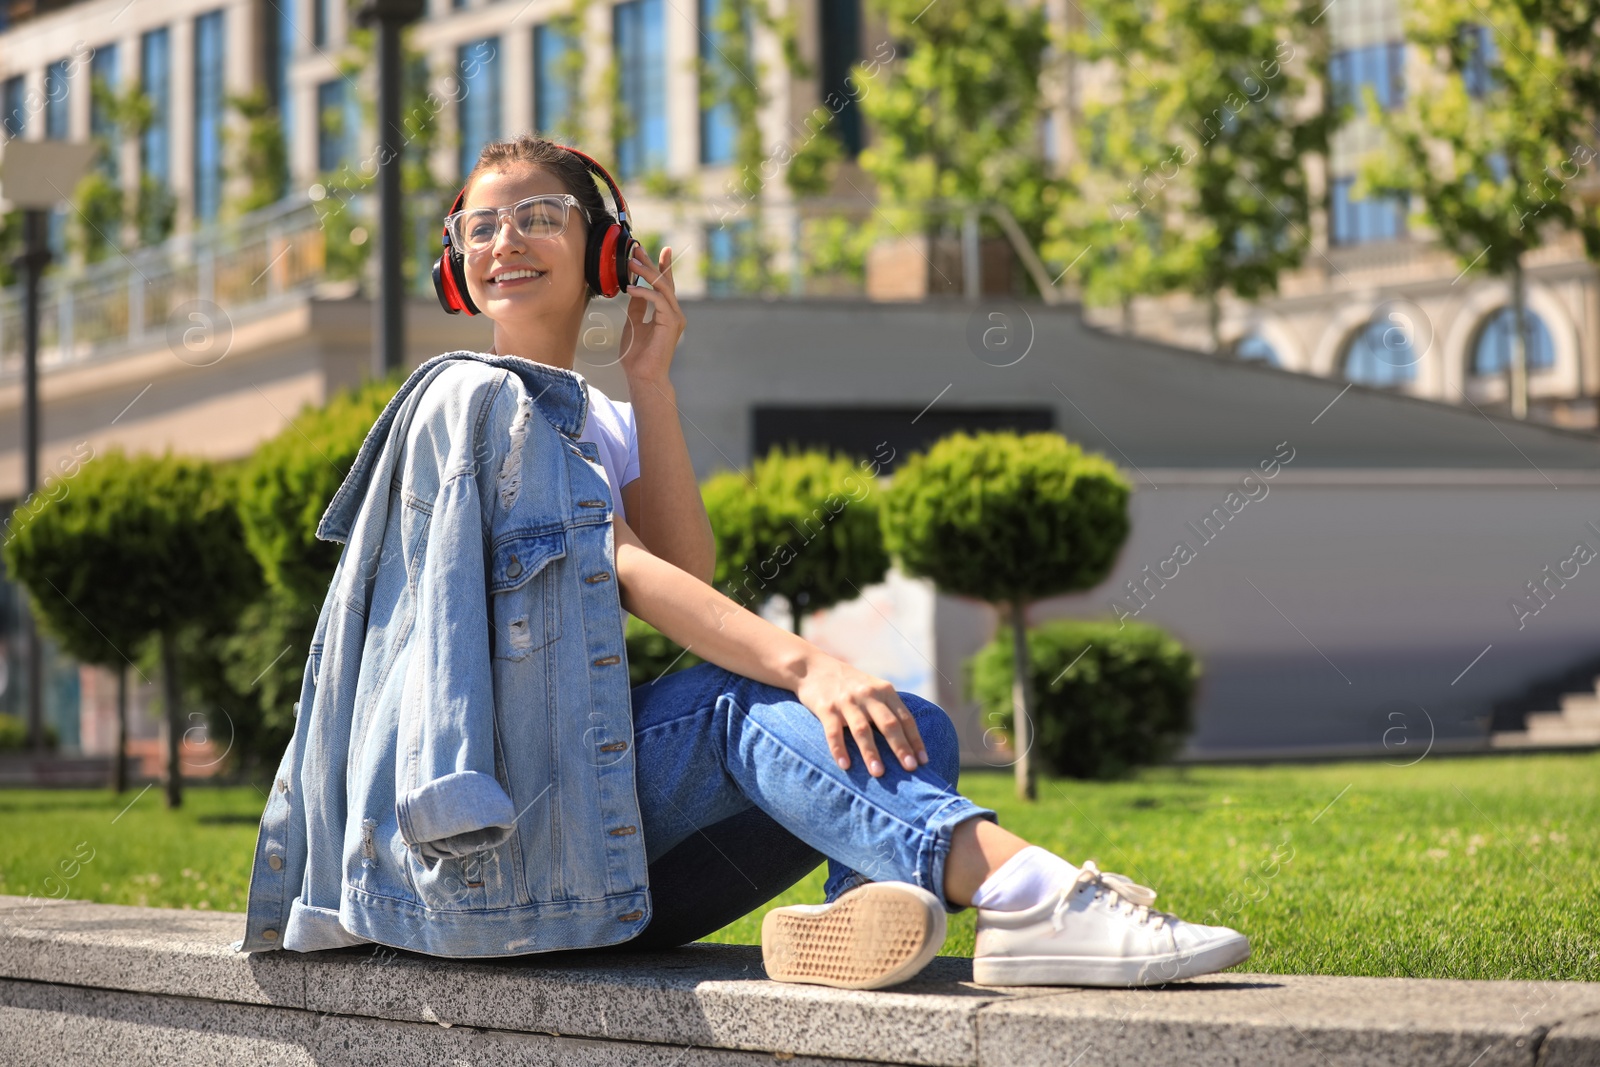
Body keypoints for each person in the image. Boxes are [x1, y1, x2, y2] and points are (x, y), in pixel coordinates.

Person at [374, 134, 1250, 989]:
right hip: (499, 849)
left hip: (592, 876)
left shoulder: (596, 415)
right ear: (456, 264)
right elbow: (630, 569)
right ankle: (1028, 896)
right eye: (481, 227)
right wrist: (809, 661)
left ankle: (869, 909)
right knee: (742, 702)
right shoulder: (475, 399)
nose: (504, 242)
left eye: (538, 216)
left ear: (607, 250)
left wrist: (651, 383)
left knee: (909, 726)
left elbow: (685, 567)